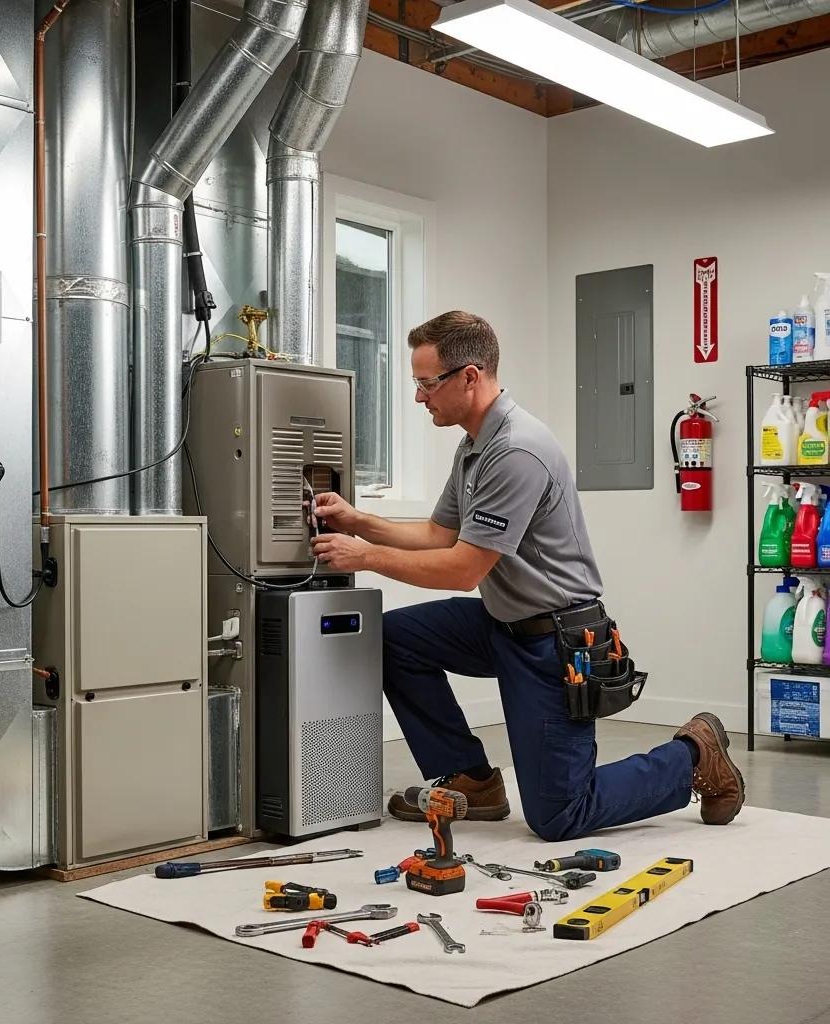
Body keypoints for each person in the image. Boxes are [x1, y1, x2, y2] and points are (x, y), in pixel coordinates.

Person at [310, 310, 744, 841]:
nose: (420, 397)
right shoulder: (474, 444)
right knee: (392, 639)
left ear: (469, 377)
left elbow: (464, 568)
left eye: (426, 384)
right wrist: (359, 522)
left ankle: (693, 754)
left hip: (554, 641)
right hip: (502, 623)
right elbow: (440, 533)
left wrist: (365, 556)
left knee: (560, 815)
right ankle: (470, 778)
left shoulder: (515, 450)